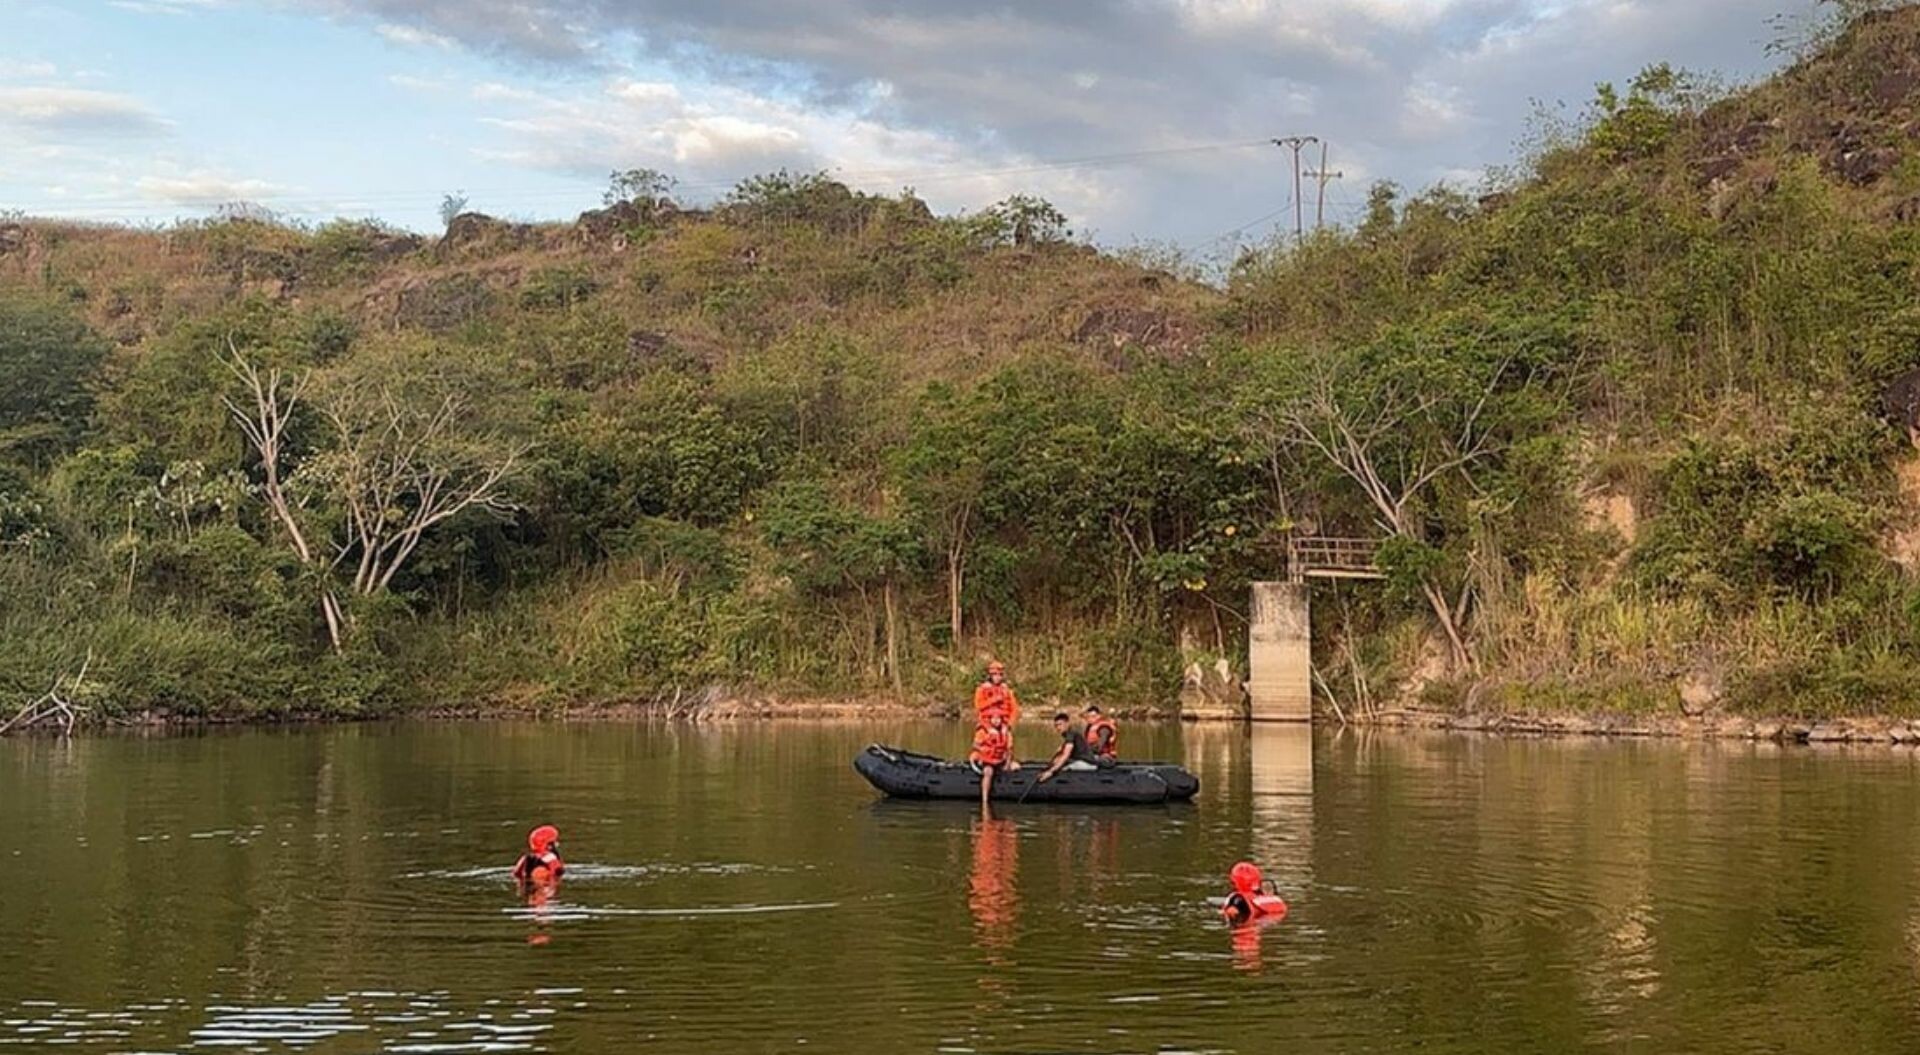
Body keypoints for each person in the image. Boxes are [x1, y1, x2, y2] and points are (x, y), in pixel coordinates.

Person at [968, 711, 1019, 806]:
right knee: (988, 772)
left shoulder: (1006, 731)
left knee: (1016, 767)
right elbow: (975, 745)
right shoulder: (983, 731)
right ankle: (985, 800)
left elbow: (1009, 749)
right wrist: (985, 750)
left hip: (1000, 759)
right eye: (994, 718)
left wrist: (1007, 763)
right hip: (986, 759)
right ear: (990, 719)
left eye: (998, 718)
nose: (996, 721)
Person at [1035, 712, 1100, 784]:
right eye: (1056, 725)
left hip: (1087, 764)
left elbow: (1066, 755)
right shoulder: (1069, 735)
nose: (1058, 728)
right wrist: (1050, 766)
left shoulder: (1071, 734)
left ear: (1067, 723)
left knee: (1060, 770)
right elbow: (1060, 754)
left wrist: (1050, 772)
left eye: (1060, 724)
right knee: (1058, 764)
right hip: (1081, 762)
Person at [1220, 861, 1287, 925]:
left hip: (1246, 922)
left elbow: (1232, 911)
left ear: (1235, 882)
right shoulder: (1269, 898)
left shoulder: (1238, 899)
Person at [973, 661, 1021, 729]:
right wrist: (994, 699)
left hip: (1003, 724)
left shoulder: (1007, 690)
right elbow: (978, 707)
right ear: (990, 676)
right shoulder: (982, 689)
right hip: (986, 724)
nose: (998, 677)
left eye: (1000, 675)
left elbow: (1014, 709)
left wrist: (1009, 724)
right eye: (995, 674)